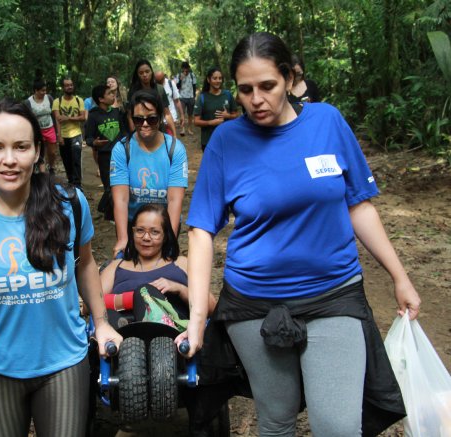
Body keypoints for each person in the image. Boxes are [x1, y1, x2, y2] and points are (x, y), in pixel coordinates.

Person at [179, 32, 420, 436]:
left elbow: (358, 204)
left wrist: (400, 277)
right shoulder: (225, 141)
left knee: (338, 426)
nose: (256, 99)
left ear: (289, 79)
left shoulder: (327, 121)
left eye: (268, 86)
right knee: (276, 419)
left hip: (333, 294)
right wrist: (198, 320)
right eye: (245, 89)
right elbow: (201, 230)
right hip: (254, 305)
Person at [0, 98, 122, 437]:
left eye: (21, 147)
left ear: (38, 151)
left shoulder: (69, 204)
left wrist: (101, 322)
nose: (9, 160)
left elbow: (85, 265)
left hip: (64, 363)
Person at [100, 204, 216, 328]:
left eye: (154, 232)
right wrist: (135, 298)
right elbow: (89, 305)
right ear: (132, 232)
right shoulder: (116, 267)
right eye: (140, 230)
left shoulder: (181, 263)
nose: (146, 237)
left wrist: (180, 289)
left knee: (145, 291)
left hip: (174, 335)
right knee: (111, 314)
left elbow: (212, 307)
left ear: (165, 235)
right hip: (126, 335)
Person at [110, 90, 188, 257]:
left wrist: (171, 241)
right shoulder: (122, 149)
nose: (144, 124)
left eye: (151, 119)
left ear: (160, 118)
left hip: (164, 224)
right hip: (134, 224)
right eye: (138, 119)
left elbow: (175, 199)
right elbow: (121, 199)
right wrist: (123, 238)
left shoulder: (175, 149)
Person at [85, 84, 127, 221]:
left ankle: (112, 211)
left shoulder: (117, 113)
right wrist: (94, 143)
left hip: (120, 155)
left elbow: (124, 132)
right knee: (109, 186)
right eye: (109, 94)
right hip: (104, 156)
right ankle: (110, 214)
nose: (112, 95)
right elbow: (88, 137)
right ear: (101, 99)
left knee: (120, 183)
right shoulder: (93, 116)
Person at [126, 59, 176, 136]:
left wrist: (174, 134)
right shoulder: (133, 92)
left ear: (151, 72)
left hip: (159, 130)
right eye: (141, 73)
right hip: (141, 131)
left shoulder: (159, 89)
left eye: (147, 71)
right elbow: (130, 115)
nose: (144, 75)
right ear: (137, 75)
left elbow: (167, 113)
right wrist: (134, 135)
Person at [193, 67, 239, 151]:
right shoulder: (202, 97)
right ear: (208, 79)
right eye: (215, 78)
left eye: (220, 78)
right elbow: (196, 121)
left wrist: (228, 116)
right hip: (208, 141)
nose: (218, 81)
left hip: (227, 139)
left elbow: (236, 115)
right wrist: (210, 122)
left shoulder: (227, 95)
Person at [52, 77, 86, 187]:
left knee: (76, 160)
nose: (69, 87)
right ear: (63, 87)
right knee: (66, 161)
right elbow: (58, 119)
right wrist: (59, 136)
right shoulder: (57, 102)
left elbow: (83, 117)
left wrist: (68, 118)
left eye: (71, 85)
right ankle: (71, 181)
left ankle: (77, 184)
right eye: (67, 85)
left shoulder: (78, 100)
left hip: (76, 134)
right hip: (64, 135)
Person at [24, 79, 60, 173]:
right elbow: (27, 118)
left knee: (52, 152)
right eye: (42, 90)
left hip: (50, 127)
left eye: (45, 90)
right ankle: (41, 172)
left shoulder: (49, 98)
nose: (44, 92)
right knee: (40, 152)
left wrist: (57, 130)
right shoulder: (28, 102)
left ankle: (51, 167)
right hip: (37, 130)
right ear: (36, 90)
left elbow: (53, 114)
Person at [155, 70, 185, 137]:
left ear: (164, 77)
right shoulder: (153, 86)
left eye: (160, 80)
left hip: (171, 118)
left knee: (171, 139)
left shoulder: (170, 84)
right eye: (157, 81)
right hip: (158, 121)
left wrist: (182, 115)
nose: (159, 83)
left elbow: (177, 101)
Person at [178, 61, 197, 136]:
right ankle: (182, 129)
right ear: (182, 69)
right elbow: (177, 87)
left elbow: (194, 86)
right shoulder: (179, 75)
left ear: (189, 68)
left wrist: (194, 96)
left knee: (190, 114)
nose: (185, 70)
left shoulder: (192, 75)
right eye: (184, 69)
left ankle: (189, 129)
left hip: (190, 97)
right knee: (182, 114)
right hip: (182, 97)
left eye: (186, 69)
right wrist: (180, 79)